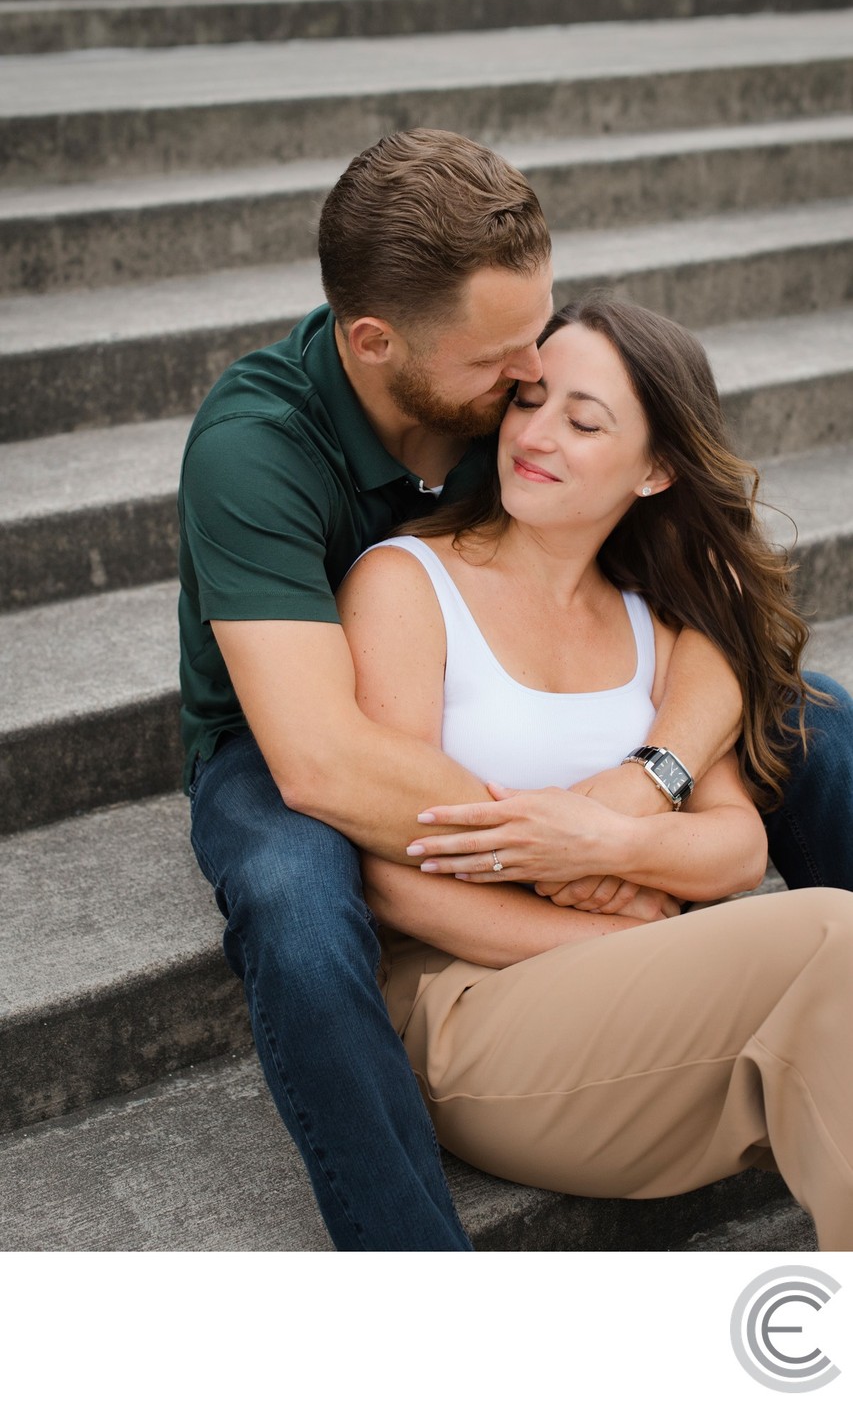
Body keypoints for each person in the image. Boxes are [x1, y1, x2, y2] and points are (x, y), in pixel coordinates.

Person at [178, 128, 853, 1252]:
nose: (530, 383)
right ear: (376, 342)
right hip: (287, 722)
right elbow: (326, 761)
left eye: (539, 344)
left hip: (561, 786)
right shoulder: (262, 451)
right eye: (506, 366)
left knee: (807, 712)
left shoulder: (526, 418)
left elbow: (723, 586)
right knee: (298, 901)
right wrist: (570, 871)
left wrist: (631, 802)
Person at [337, 294, 853, 1249]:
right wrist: (600, 929)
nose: (535, 435)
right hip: (468, 1014)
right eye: (528, 402)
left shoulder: (652, 621)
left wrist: (609, 839)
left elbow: (735, 846)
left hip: (633, 1006)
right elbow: (392, 881)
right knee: (838, 934)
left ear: (655, 469)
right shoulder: (406, 585)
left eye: (583, 422)